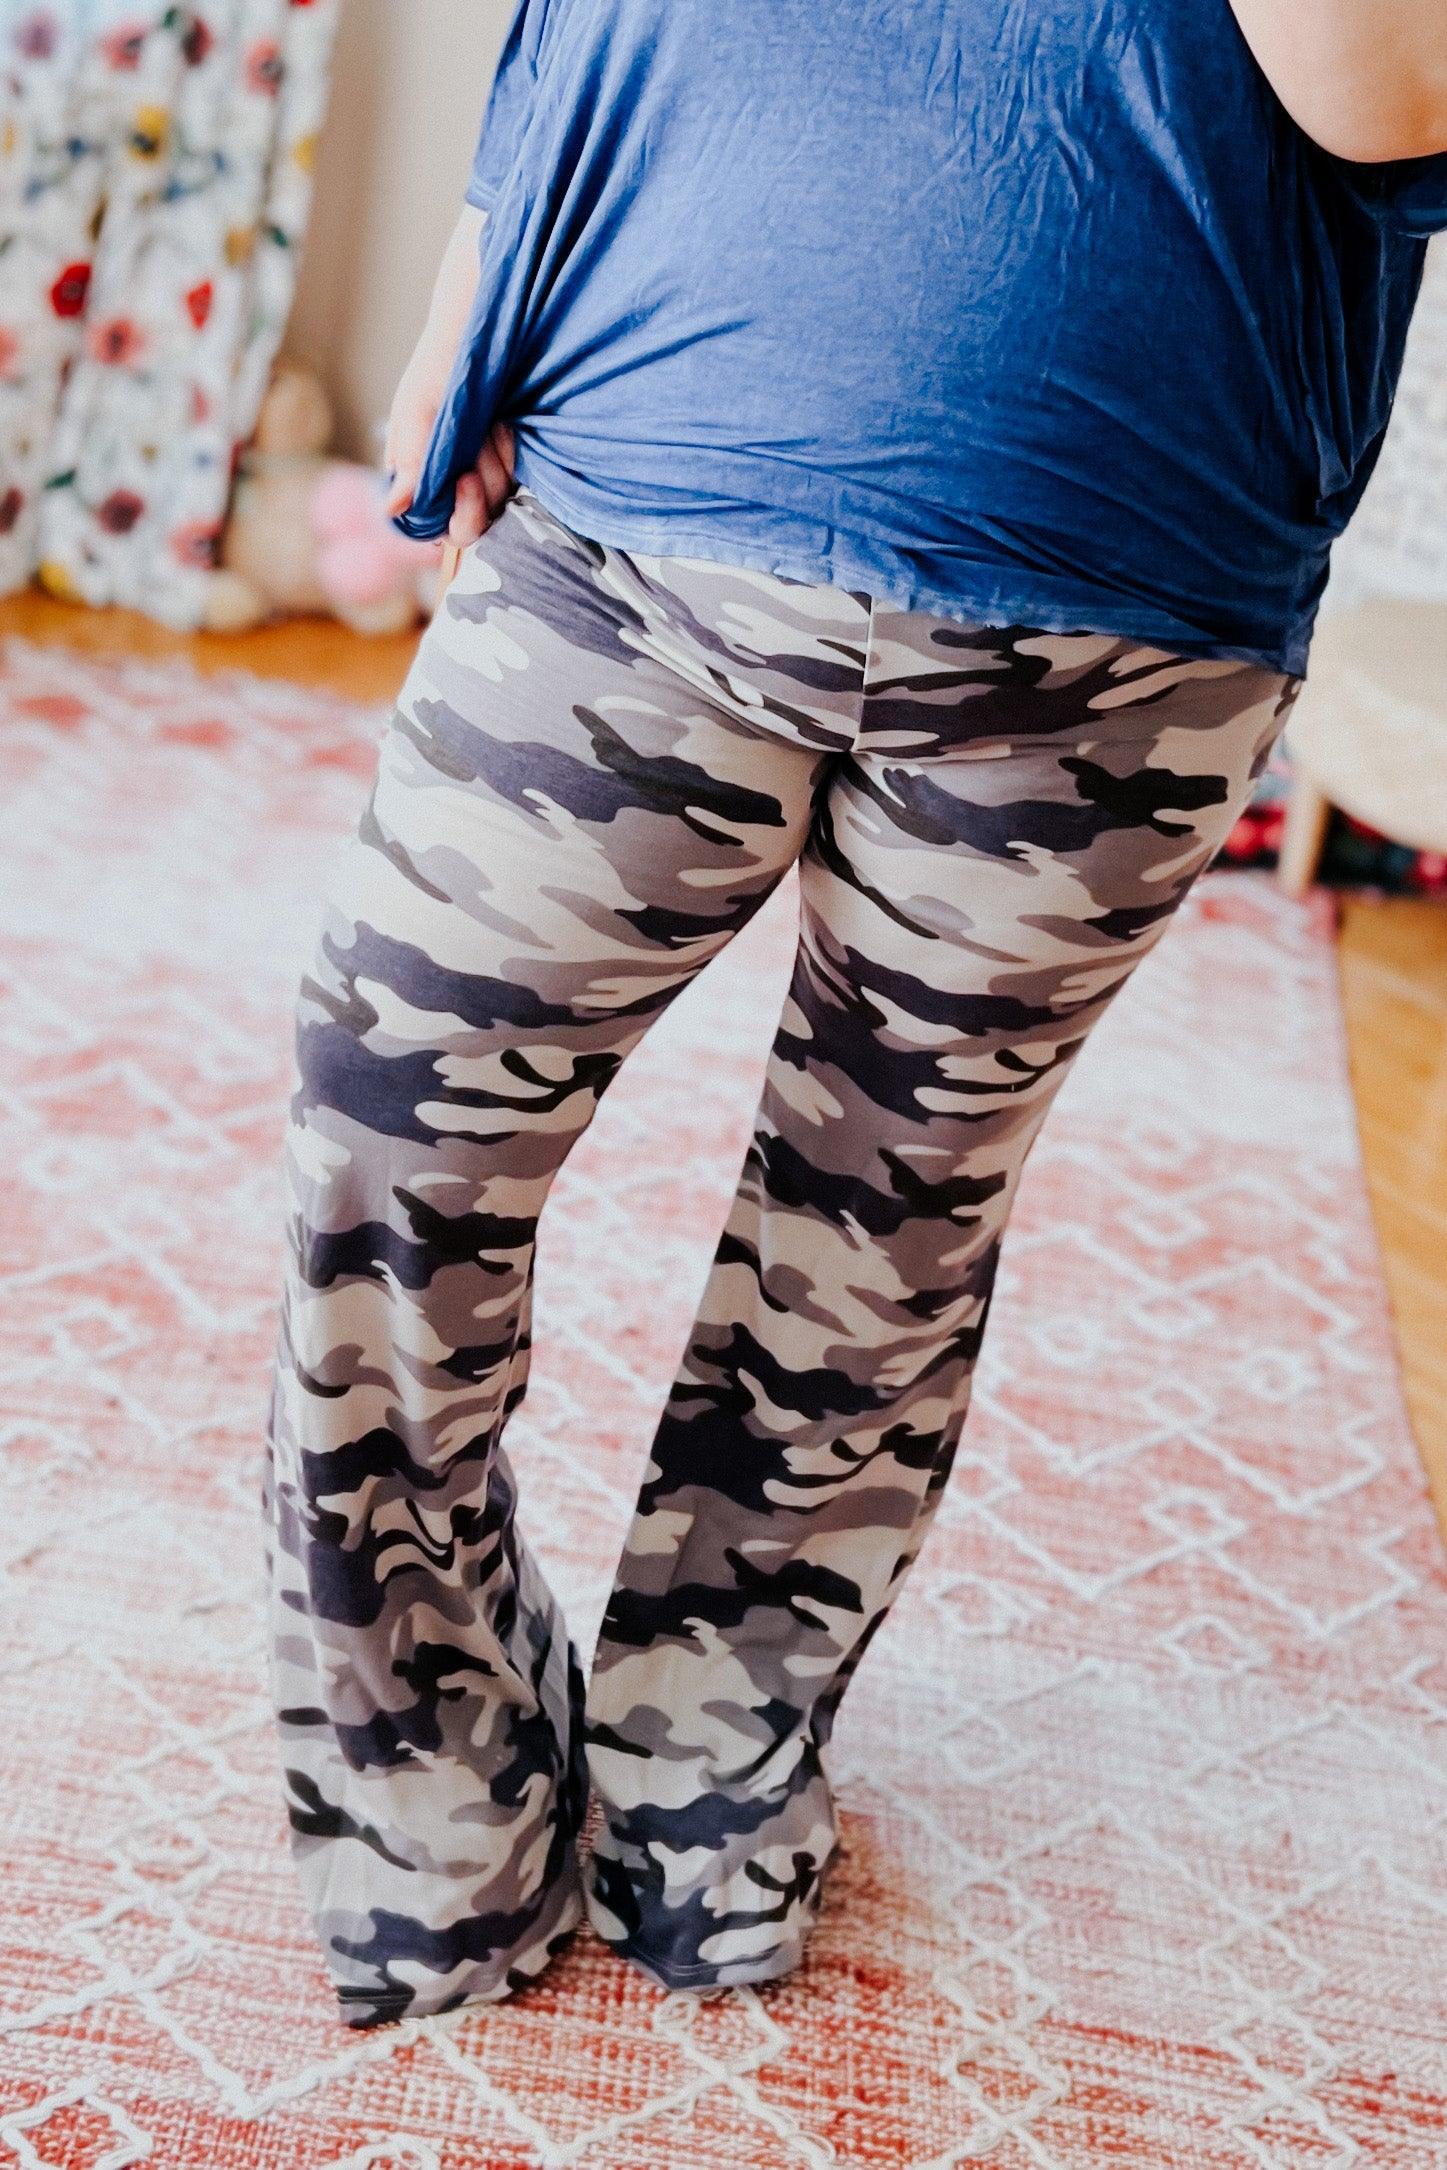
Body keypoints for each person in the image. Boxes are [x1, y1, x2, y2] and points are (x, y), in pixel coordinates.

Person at [261, 0, 1447, 2029]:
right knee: (394, 1125)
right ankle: (418, 1774)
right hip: (631, 491)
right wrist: (490, 243)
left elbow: (1392, 85)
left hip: (1120, 585)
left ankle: (696, 1767)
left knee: (876, 1223)